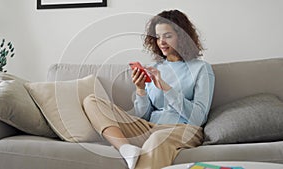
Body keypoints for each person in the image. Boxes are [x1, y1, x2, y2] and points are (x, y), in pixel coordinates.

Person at [83, 9, 215, 169]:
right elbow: (142, 116)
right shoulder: (154, 68)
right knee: (91, 101)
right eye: (158, 37)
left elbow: (198, 118)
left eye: (167, 36)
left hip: (184, 130)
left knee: (157, 139)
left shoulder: (201, 68)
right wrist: (141, 90)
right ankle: (126, 149)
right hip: (149, 128)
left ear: (182, 36)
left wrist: (166, 88)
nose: (161, 42)